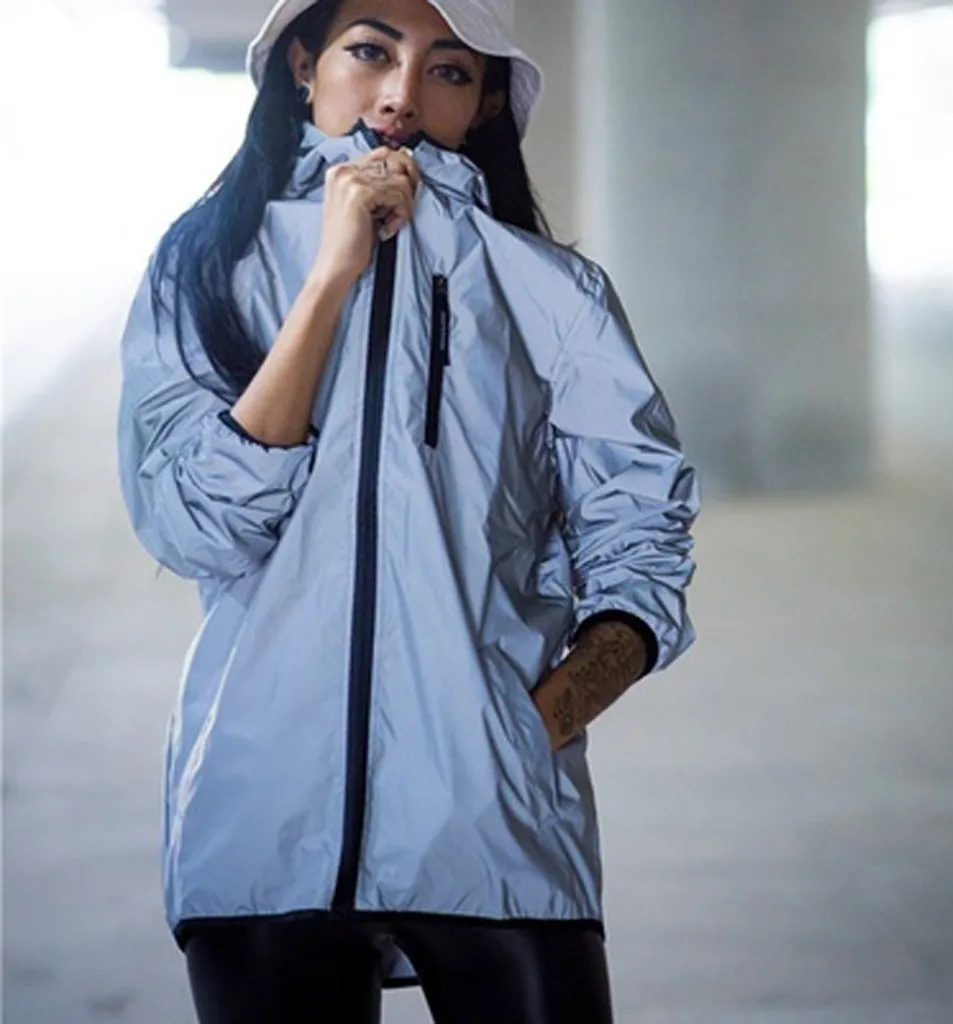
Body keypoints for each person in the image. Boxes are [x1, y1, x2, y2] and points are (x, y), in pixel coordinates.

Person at [116, 0, 700, 1020]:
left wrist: (526, 732)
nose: (399, 95)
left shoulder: (553, 294)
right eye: (369, 51)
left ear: (484, 106)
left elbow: (641, 542)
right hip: (261, 819)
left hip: (497, 822)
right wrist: (329, 279)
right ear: (303, 64)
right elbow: (196, 526)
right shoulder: (204, 265)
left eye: (448, 70)